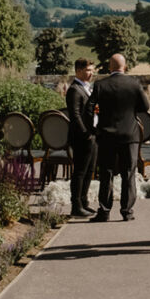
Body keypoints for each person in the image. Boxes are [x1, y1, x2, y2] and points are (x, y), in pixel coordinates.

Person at [91, 53, 147, 222]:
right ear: (125, 66)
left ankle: (104, 210)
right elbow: (145, 106)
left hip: (107, 134)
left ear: (110, 67)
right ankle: (127, 210)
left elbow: (89, 107)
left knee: (106, 173)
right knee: (128, 174)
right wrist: (131, 110)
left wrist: (93, 127)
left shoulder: (100, 85)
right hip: (130, 134)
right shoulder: (134, 84)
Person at [65, 57, 98, 219]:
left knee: (90, 170)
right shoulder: (74, 90)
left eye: (92, 70)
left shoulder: (87, 88)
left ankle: (84, 202)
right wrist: (86, 133)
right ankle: (76, 206)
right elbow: (75, 115)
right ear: (78, 71)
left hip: (92, 135)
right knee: (79, 171)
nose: (91, 73)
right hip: (81, 137)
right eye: (88, 70)